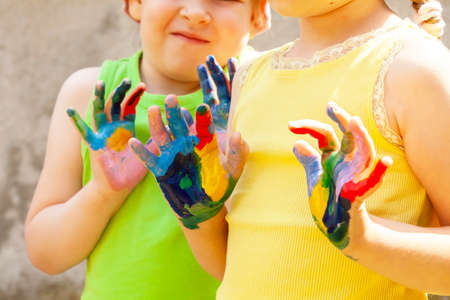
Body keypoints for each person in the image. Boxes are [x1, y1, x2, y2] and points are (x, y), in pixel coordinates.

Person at [130, 0, 450, 299]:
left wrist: (365, 238)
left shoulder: (416, 69)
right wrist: (198, 216)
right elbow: (233, 269)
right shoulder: (250, 77)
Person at [24, 0, 270, 299]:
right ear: (135, 3)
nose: (194, 12)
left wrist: (204, 205)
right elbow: (47, 256)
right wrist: (103, 192)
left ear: (259, 15)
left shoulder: (266, 94)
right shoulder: (88, 94)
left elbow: (269, 269)